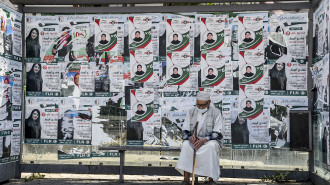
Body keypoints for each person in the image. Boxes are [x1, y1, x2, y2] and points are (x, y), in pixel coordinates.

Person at [176, 92, 224, 185]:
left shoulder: (217, 113)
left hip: (209, 141)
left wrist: (204, 139)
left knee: (211, 147)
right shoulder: (191, 112)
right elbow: (185, 131)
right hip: (195, 141)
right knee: (186, 145)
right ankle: (186, 179)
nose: (200, 107)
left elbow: (218, 133)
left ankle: (211, 179)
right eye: (198, 104)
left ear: (209, 103)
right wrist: (190, 137)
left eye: (203, 105)